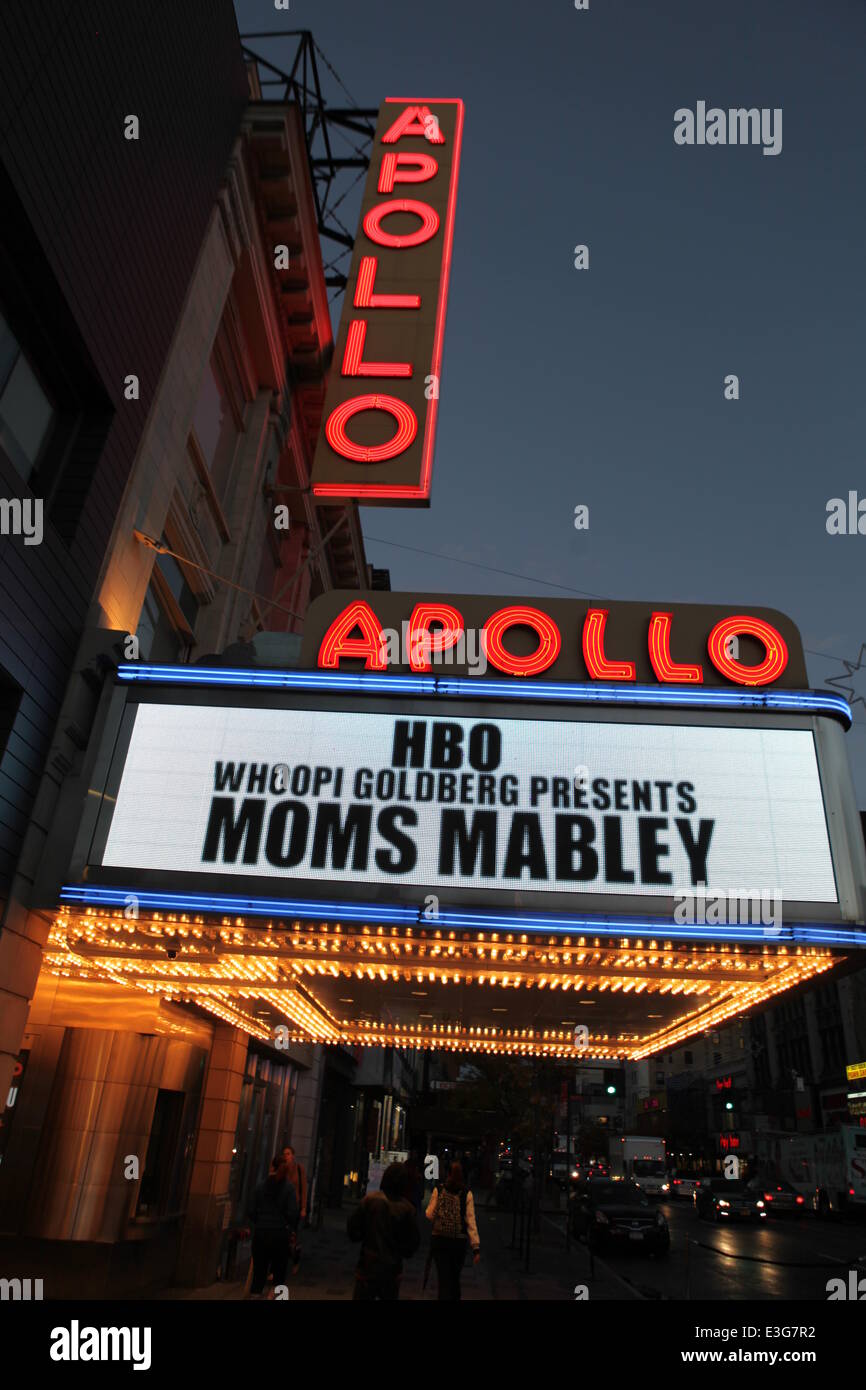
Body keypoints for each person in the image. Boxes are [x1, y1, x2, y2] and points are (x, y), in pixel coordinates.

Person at [347, 1161, 420, 1300]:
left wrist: (364, 1235)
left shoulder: (370, 1200)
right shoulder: (407, 1209)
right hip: (392, 1268)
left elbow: (353, 1230)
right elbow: (412, 1244)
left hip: (368, 1265)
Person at [426, 1161, 480, 1300]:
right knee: (455, 1278)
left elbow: (430, 1214)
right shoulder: (467, 1194)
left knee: (443, 1278)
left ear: (448, 1173)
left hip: (440, 1240)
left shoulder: (439, 1189)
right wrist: (476, 1247)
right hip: (458, 1242)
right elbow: (470, 1221)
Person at [246, 1157, 298, 1298]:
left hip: (261, 1234)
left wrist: (260, 1221)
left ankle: (256, 1294)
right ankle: (277, 1296)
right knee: (280, 1273)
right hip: (280, 1235)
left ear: (271, 1167)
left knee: (259, 1272)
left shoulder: (260, 1186)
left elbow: (251, 1210)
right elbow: (292, 1213)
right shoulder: (289, 1188)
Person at [281, 1145, 307, 1271]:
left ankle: (296, 1259)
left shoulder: (299, 1169)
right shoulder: (281, 1169)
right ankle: (281, 1261)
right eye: (284, 1154)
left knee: (295, 1236)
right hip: (283, 1206)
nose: (286, 1156)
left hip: (295, 1207)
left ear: (293, 1155)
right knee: (283, 1234)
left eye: (288, 1154)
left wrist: (303, 1208)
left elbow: (303, 1190)